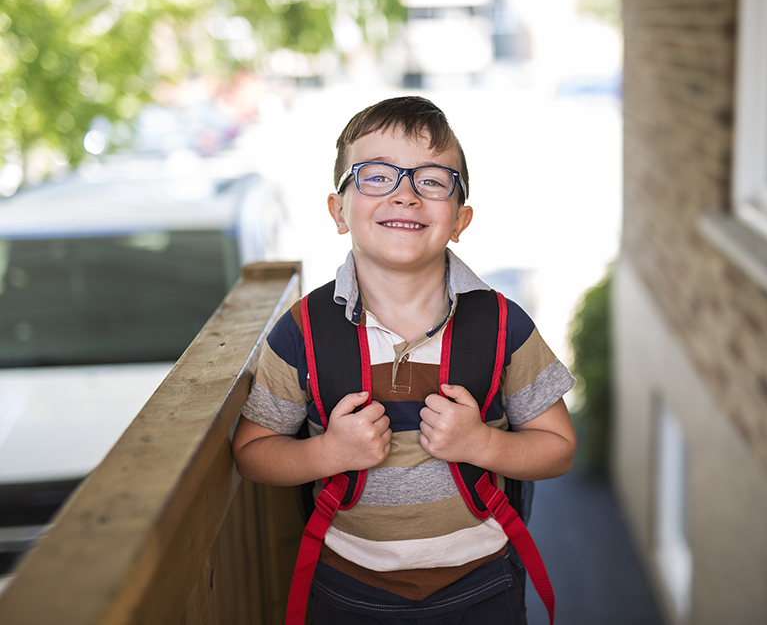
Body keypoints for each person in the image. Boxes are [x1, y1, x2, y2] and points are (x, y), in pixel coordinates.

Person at [232, 95, 578, 624]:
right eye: (376, 176)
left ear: (460, 219)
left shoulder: (504, 326)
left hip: (482, 584)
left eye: (432, 181)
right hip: (347, 587)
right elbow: (253, 452)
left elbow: (558, 449)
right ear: (338, 211)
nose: (405, 194)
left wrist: (481, 443)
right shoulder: (302, 332)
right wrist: (327, 453)